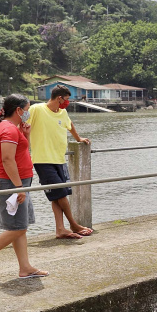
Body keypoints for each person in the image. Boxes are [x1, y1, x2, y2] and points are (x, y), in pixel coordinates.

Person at [0, 94, 48, 283]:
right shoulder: (7, 129)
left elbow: (18, 154)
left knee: (20, 227)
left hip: (19, 182)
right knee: (16, 228)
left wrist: (25, 135)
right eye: (27, 110)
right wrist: (19, 187)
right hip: (13, 183)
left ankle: (25, 267)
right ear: (19, 110)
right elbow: (6, 160)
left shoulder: (12, 128)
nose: (28, 114)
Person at [27, 84, 93, 238]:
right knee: (61, 194)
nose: (67, 103)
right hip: (42, 160)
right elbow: (21, 123)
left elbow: (70, 126)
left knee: (56, 196)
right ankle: (73, 224)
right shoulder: (37, 109)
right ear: (59, 98)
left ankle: (60, 229)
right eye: (66, 99)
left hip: (59, 159)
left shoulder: (62, 112)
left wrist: (79, 138)